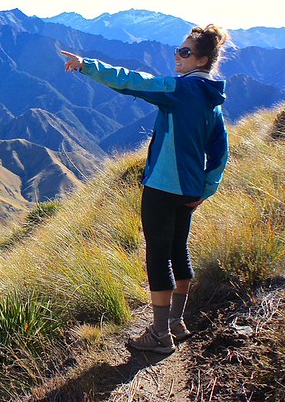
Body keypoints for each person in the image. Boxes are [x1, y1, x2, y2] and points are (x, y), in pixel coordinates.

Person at [62, 24, 229, 354]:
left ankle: (158, 335)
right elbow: (221, 151)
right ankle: (177, 324)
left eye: (185, 52)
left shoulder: (181, 90)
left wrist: (85, 64)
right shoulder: (214, 98)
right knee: (178, 249)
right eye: (178, 50)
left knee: (158, 255)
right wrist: (205, 189)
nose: (176, 56)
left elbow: (134, 81)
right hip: (190, 188)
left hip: (163, 185)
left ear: (202, 60)